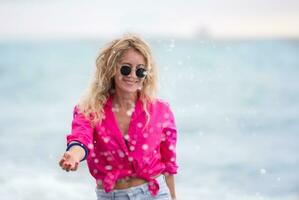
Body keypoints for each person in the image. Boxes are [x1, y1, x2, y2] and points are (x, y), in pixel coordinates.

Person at [58, 34, 178, 200]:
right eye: (126, 68)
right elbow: (80, 138)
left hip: (154, 194)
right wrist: (74, 155)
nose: (133, 75)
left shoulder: (160, 110)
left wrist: (174, 197)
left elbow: (168, 165)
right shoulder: (89, 109)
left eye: (140, 70)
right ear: (112, 68)